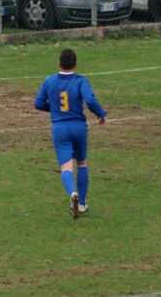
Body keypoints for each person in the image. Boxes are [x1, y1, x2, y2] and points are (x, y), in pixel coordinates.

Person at [34, 48, 106, 219]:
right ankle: (81, 203)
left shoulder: (49, 80)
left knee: (66, 167)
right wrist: (101, 114)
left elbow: (38, 103)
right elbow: (89, 100)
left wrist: (54, 109)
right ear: (75, 64)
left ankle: (72, 193)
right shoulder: (81, 81)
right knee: (81, 163)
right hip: (79, 127)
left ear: (59, 63)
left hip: (60, 128)